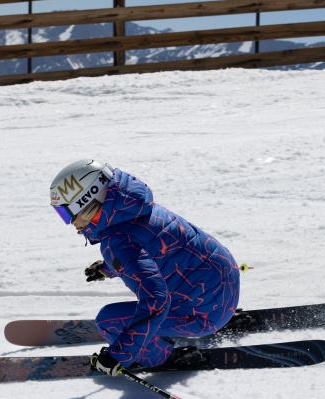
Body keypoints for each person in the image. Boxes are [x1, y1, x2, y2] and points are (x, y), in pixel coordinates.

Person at [49, 159, 241, 376]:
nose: (69, 223)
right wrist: (107, 268)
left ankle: (162, 358)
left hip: (205, 314)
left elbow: (156, 302)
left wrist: (118, 355)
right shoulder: (134, 209)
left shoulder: (117, 241)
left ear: (86, 203)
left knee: (107, 321)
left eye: (65, 214)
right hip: (225, 285)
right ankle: (212, 312)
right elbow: (150, 252)